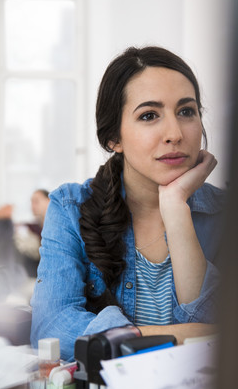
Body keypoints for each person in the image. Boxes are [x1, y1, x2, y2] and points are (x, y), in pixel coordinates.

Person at [30, 46, 226, 361]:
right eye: (149, 115)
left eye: (186, 111)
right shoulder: (70, 206)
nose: (174, 133)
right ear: (113, 139)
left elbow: (237, 341)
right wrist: (179, 338)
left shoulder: (229, 215)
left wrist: (176, 208)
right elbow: (51, 330)